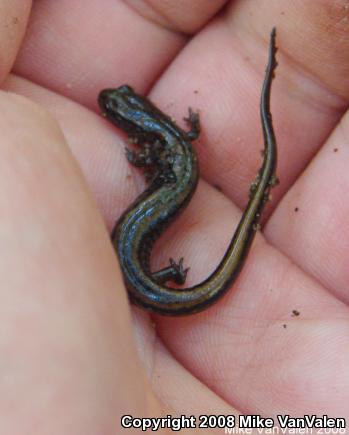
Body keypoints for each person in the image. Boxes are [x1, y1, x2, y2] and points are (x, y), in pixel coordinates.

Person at [1, 1, 348, 433]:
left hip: (140, 278)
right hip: (144, 276)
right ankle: (169, 277)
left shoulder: (156, 146)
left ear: (137, 123)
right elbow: (186, 138)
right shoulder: (169, 138)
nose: (110, 108)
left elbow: (158, 153)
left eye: (115, 110)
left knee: (149, 262)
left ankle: (169, 276)